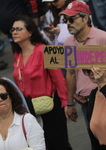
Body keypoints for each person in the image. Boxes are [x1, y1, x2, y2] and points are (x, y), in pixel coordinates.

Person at [11, 15, 72, 150]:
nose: (15, 32)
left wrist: (66, 103)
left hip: (52, 104)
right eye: (13, 29)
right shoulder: (17, 55)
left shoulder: (46, 49)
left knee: (59, 144)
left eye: (19, 29)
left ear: (30, 32)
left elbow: (59, 79)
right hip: (30, 107)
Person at [60, 1, 106, 124]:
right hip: (86, 102)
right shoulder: (68, 43)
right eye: (66, 20)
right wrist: (70, 102)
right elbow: (71, 74)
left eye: (72, 19)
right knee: (95, 141)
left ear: (85, 19)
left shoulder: (104, 38)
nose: (68, 23)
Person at [0, 77, 45, 150]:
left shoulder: (27, 120)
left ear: (11, 97)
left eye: (3, 96)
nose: (0, 99)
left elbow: (39, 148)